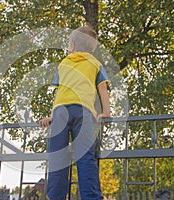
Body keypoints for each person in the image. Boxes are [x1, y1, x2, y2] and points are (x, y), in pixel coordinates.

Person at [39, 25, 111, 200]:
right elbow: (103, 88)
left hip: (61, 112)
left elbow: (59, 92)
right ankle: (92, 197)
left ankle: (55, 197)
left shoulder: (64, 63)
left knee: (58, 159)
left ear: (72, 45)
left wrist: (52, 115)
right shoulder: (95, 63)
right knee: (85, 157)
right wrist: (106, 112)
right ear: (92, 48)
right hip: (84, 112)